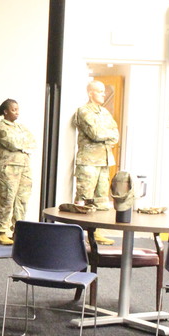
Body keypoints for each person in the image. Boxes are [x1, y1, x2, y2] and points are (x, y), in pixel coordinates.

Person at [73, 80, 119, 245]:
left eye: (104, 91)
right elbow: (96, 134)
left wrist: (106, 134)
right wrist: (106, 134)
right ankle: (77, 236)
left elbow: (116, 134)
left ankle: (97, 233)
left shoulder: (105, 112)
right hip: (88, 162)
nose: (103, 94)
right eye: (100, 91)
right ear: (90, 92)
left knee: (101, 200)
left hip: (104, 161)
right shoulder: (83, 111)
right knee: (84, 199)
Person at [0, 98, 36, 245]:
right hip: (9, 167)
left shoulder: (20, 127)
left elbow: (32, 141)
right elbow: (13, 143)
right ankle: (1, 232)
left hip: (24, 166)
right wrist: (22, 144)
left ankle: (18, 230)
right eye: (13, 109)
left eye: (17, 109)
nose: (17, 112)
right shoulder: (0, 127)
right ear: (5, 111)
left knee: (22, 200)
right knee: (7, 200)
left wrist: (22, 144)